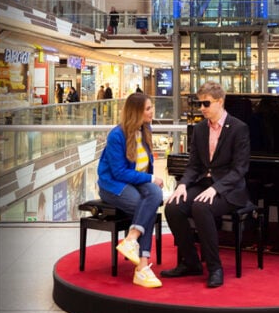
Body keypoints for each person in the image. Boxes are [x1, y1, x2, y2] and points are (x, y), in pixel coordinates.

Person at [161, 81, 250, 288]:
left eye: (206, 103)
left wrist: (215, 189)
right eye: (199, 103)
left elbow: (240, 170)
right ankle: (191, 263)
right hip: (203, 184)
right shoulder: (200, 129)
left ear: (220, 102)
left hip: (229, 190)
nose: (201, 108)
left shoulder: (239, 128)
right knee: (173, 207)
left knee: (201, 208)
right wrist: (182, 185)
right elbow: (193, 165)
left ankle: (215, 268)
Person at [98, 93, 165, 288]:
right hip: (113, 185)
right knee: (144, 207)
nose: (152, 111)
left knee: (155, 194)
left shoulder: (146, 129)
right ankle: (142, 268)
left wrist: (150, 182)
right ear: (136, 112)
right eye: (147, 108)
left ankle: (131, 239)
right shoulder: (117, 135)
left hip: (136, 181)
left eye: (151, 107)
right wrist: (151, 178)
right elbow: (118, 173)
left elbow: (144, 168)